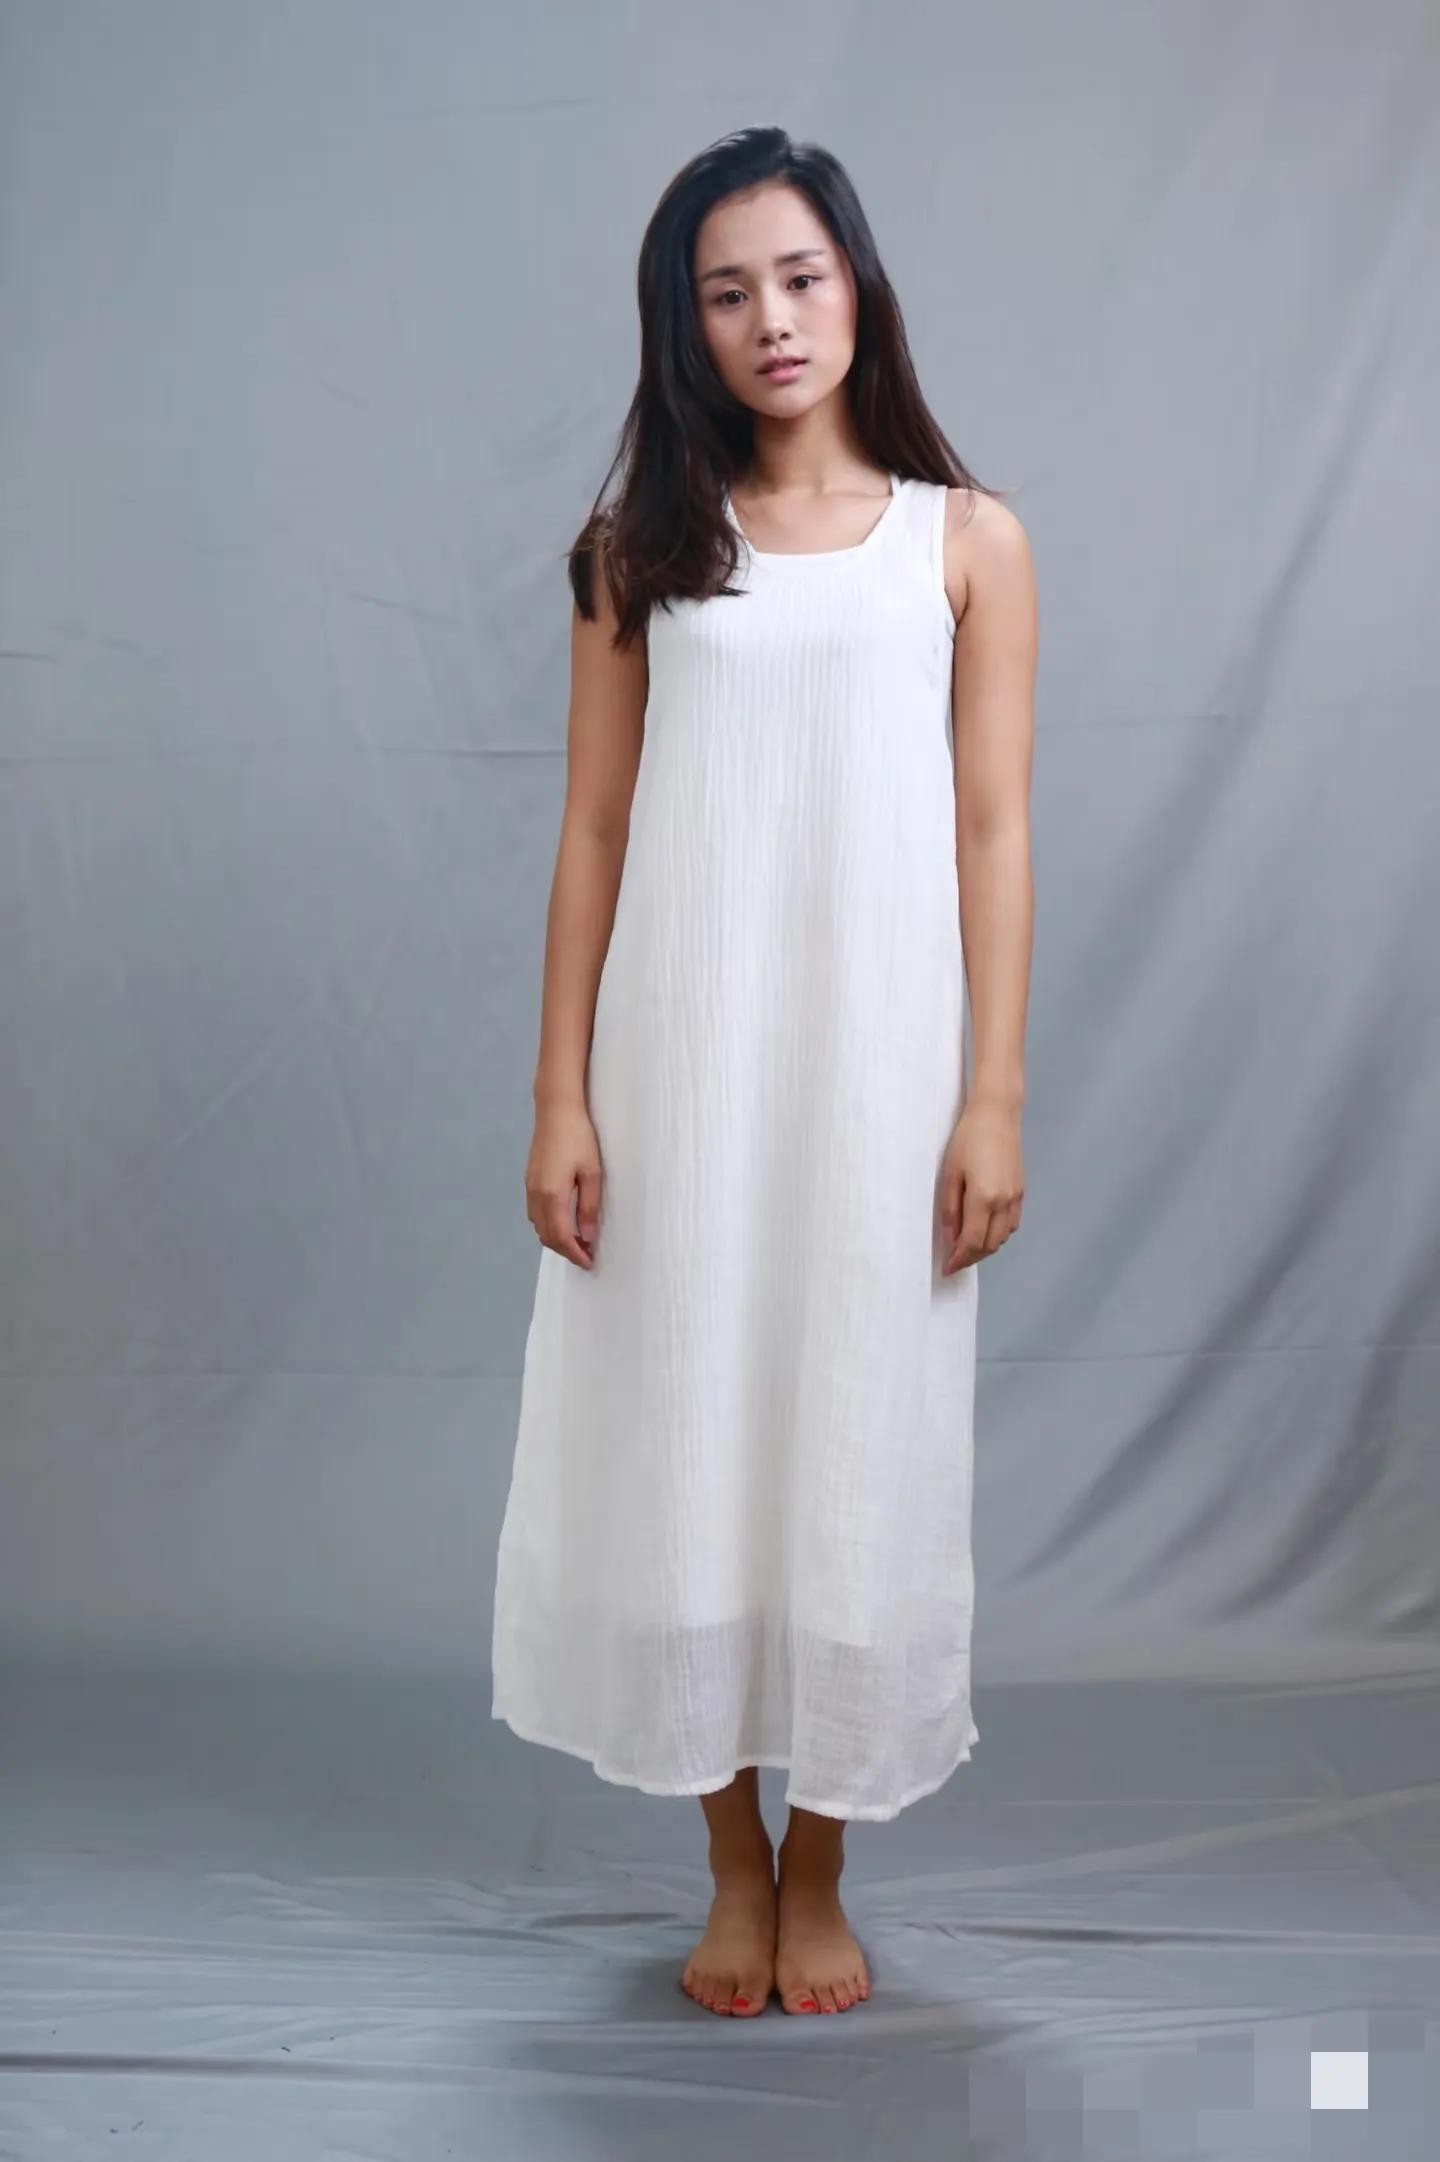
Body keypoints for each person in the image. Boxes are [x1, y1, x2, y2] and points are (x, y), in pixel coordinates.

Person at [492, 125, 1035, 2021]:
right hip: (685, 1071)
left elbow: (993, 832)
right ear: (686, 327)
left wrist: (992, 1094)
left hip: (882, 1077)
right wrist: (561, 1094)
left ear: (857, 283)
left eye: (800, 277)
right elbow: (592, 830)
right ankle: (731, 1860)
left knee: (863, 1442)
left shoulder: (965, 544)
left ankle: (826, 1863)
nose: (772, 319)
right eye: (728, 293)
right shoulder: (639, 554)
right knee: (688, 1439)